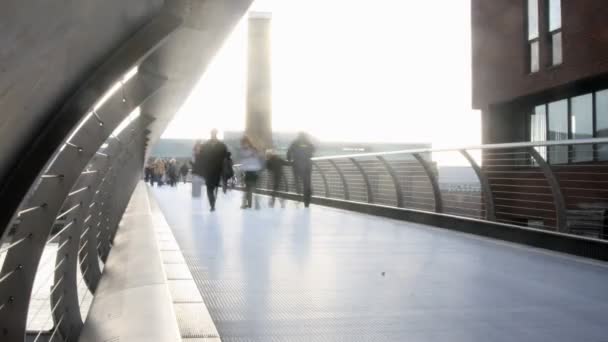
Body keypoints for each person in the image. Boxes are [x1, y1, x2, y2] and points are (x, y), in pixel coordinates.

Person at [198, 129, 229, 211]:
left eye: (214, 133)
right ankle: (212, 204)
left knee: (215, 186)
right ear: (211, 134)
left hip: (217, 170)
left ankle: (213, 202)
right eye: (212, 133)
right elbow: (201, 157)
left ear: (216, 134)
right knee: (209, 187)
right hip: (208, 169)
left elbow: (226, 156)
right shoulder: (206, 145)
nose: (213, 134)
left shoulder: (221, 145)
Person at [287, 132, 315, 207]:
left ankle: (298, 194)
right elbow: (313, 150)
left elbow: (289, 152)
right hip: (307, 166)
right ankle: (307, 202)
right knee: (307, 183)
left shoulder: (295, 142)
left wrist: (289, 160)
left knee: (297, 181)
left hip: (297, 165)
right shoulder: (308, 142)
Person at [239, 136, 263, 209]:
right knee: (247, 188)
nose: (244, 145)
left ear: (248, 143)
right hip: (248, 171)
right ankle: (248, 204)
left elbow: (258, 158)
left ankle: (256, 204)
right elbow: (244, 161)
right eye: (243, 144)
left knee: (253, 188)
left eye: (245, 143)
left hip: (254, 171)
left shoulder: (253, 150)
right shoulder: (244, 151)